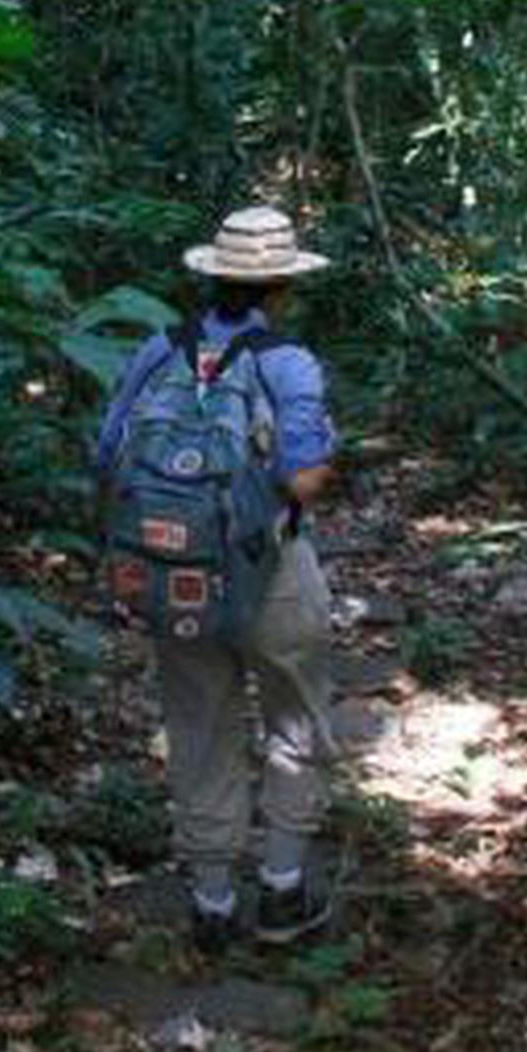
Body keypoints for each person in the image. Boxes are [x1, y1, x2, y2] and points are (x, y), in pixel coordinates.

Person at [92, 205, 339, 952]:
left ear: (212, 277)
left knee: (199, 727)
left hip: (177, 571)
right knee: (294, 716)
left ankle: (210, 901)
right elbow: (301, 480)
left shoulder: (157, 350)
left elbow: (108, 457)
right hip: (270, 568)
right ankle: (285, 893)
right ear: (281, 288)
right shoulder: (287, 362)